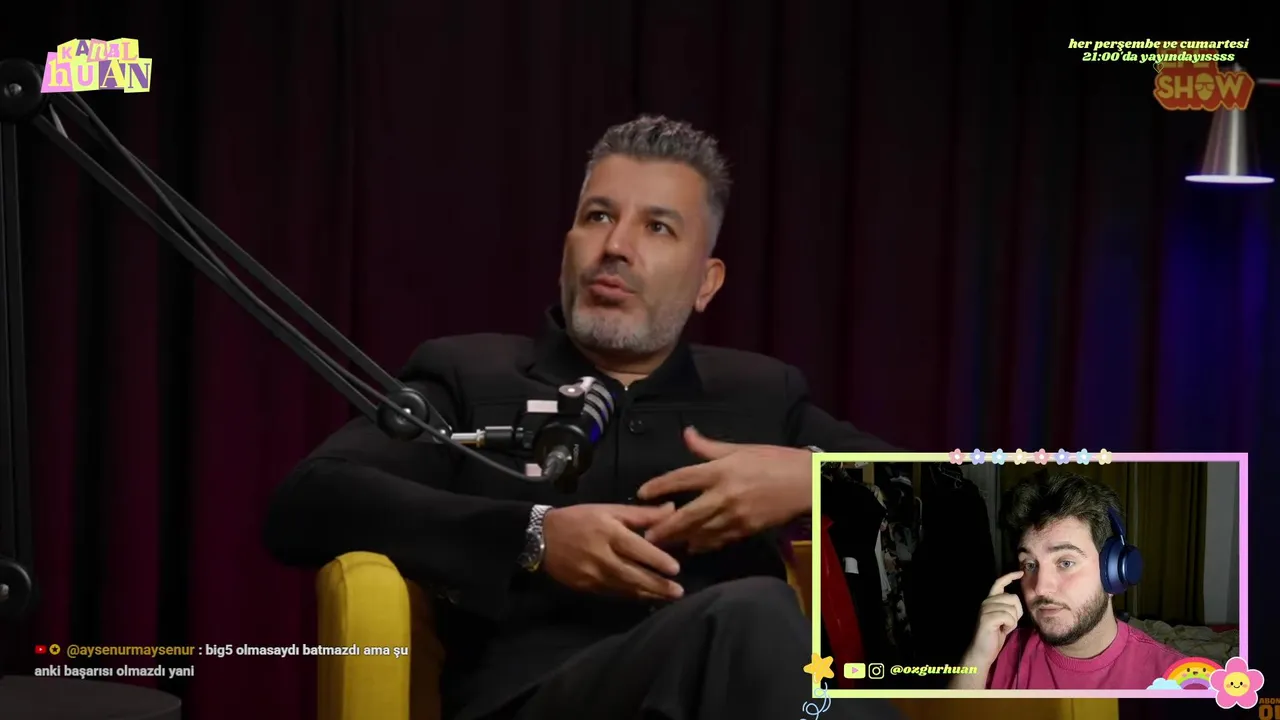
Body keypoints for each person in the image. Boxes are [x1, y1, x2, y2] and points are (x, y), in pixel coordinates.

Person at [263, 115, 899, 720]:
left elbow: (939, 514)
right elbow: (308, 501)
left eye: (657, 228)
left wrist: (813, 478)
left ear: (707, 283)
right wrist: (533, 536)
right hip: (538, 700)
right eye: (598, 217)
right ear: (567, 248)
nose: (616, 247)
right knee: (754, 613)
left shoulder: (760, 393)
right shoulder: (469, 374)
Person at [950, 473, 1183, 690]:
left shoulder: (1175, 680)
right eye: (1030, 565)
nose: (1040, 588)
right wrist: (976, 657)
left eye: (1065, 563)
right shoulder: (997, 653)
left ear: (1114, 572)